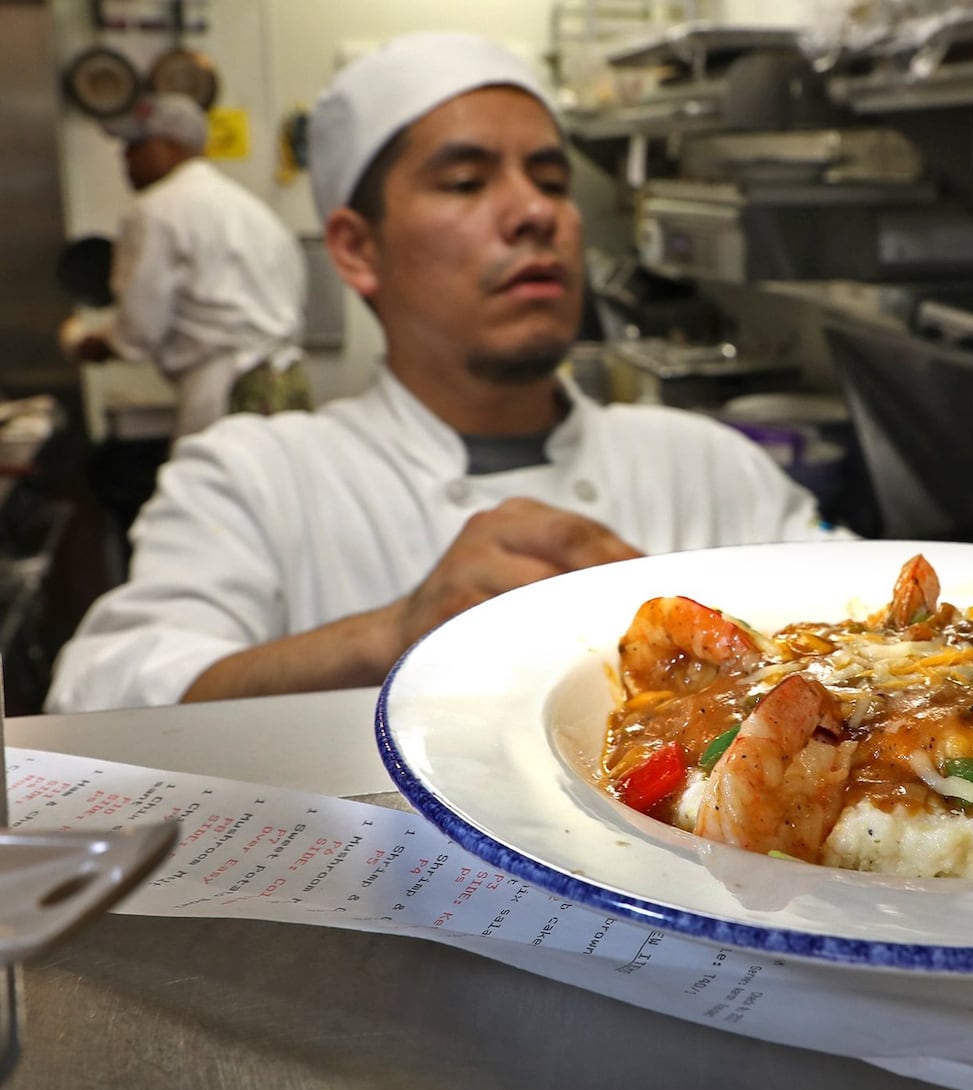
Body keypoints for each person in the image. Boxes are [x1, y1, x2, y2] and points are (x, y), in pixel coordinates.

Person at [46, 33, 836, 714]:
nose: (536, 212)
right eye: (466, 181)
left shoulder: (705, 463)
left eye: (552, 181)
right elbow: (100, 694)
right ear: (356, 249)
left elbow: (885, 635)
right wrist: (391, 634)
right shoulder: (256, 477)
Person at [59, 92, 312, 438]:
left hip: (228, 392)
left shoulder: (156, 210)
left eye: (137, 145)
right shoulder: (250, 209)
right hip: (288, 385)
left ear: (175, 146)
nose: (125, 158)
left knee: (225, 490)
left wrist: (88, 343)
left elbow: (140, 330)